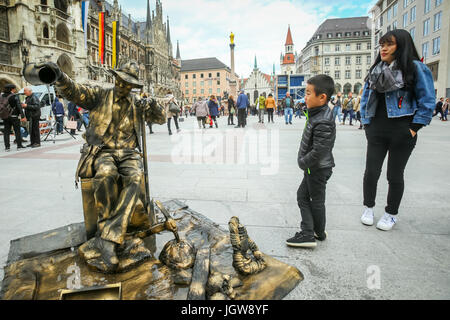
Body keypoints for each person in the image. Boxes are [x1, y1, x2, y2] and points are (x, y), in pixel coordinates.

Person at [37, 60, 171, 273]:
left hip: (128, 153)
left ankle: (108, 238)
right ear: (115, 78)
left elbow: (162, 118)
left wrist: (153, 104)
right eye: (121, 81)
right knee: (106, 174)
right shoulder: (101, 95)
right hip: (104, 151)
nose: (124, 86)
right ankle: (109, 235)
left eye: (129, 84)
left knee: (135, 177)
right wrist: (60, 76)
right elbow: (75, 91)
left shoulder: (137, 102)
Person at [360, 29, 435, 231]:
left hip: (402, 130)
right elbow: (365, 98)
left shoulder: (415, 68)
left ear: (401, 46)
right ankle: (368, 208)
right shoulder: (376, 69)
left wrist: (413, 128)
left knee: (394, 175)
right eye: (381, 44)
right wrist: (367, 124)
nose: (383, 48)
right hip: (377, 128)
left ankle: (391, 213)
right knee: (371, 172)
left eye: (388, 44)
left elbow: (427, 101)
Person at [286, 74, 336, 248]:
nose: (304, 97)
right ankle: (318, 232)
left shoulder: (323, 120)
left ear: (322, 97)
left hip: (316, 168)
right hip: (315, 168)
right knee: (313, 198)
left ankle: (308, 234)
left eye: (308, 93)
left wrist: (303, 162)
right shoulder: (318, 113)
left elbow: (319, 150)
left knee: (306, 198)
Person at [1, 84, 26, 151]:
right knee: (17, 131)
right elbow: (19, 106)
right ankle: (19, 146)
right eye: (14, 89)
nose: (15, 90)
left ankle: (7, 147)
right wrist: (23, 116)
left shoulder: (2, 96)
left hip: (5, 116)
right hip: (14, 116)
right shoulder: (14, 96)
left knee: (6, 132)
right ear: (12, 89)